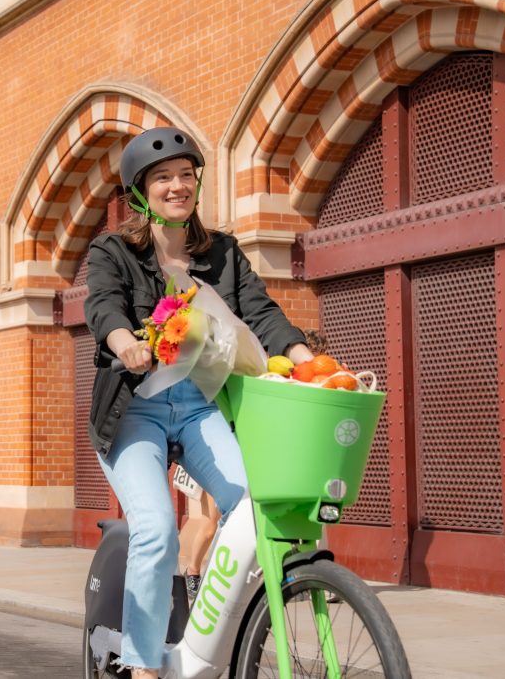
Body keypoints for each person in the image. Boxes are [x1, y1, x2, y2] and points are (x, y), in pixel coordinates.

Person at [83, 127, 313, 678]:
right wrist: (125, 344)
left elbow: (260, 313)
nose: (177, 185)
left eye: (186, 175)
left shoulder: (223, 253)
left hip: (200, 407)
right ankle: (143, 667)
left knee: (257, 508)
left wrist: (306, 360)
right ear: (141, 192)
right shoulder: (113, 250)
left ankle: (215, 627)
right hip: (133, 410)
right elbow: (103, 306)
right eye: (163, 177)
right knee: (157, 526)